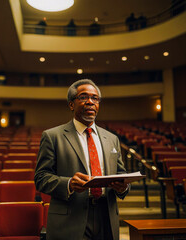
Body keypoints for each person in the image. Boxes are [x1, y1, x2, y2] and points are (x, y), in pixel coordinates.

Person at [34, 79, 130, 240]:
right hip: (70, 218)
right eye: (83, 97)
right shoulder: (52, 136)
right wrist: (69, 183)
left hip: (106, 215)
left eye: (95, 98)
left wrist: (123, 188)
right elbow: (41, 178)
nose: (90, 102)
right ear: (71, 104)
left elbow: (121, 174)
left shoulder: (112, 138)